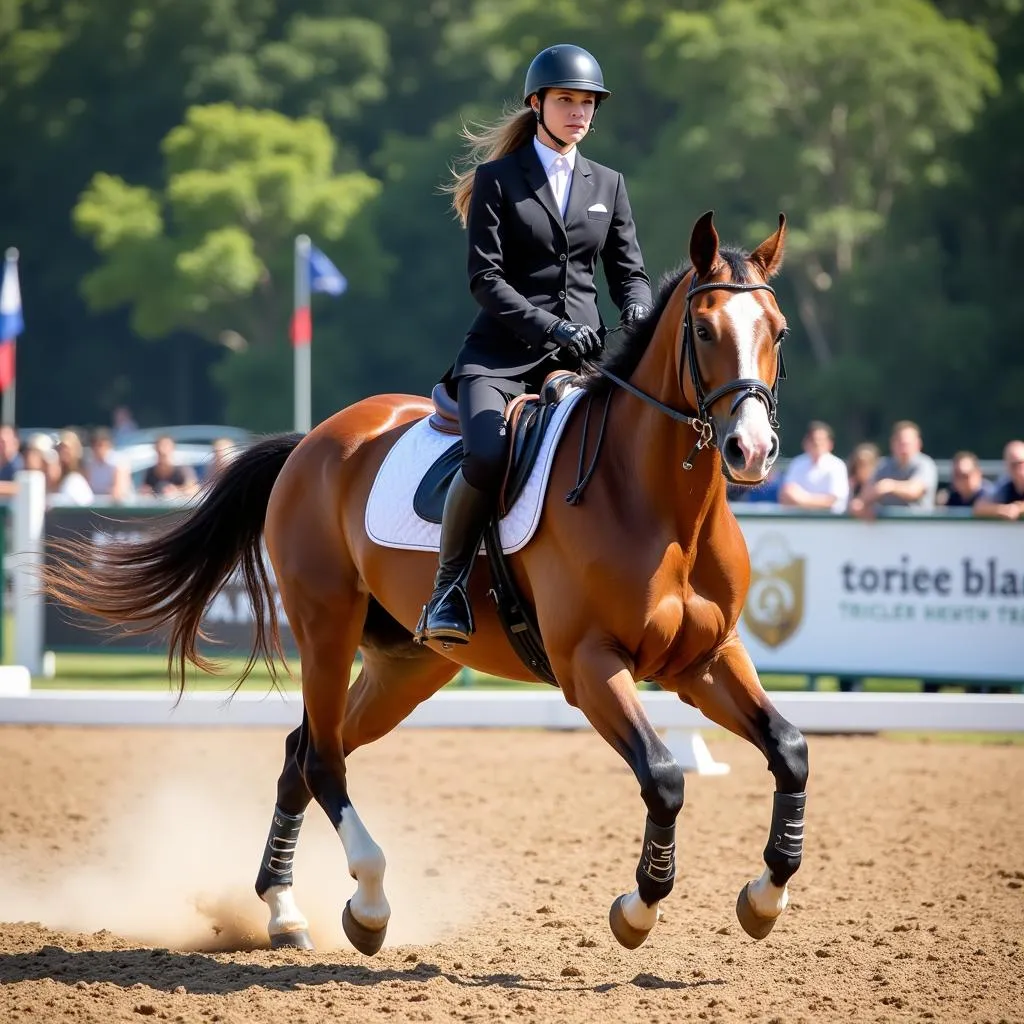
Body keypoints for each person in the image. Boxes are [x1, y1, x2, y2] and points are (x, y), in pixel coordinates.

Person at [415, 43, 653, 644]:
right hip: (499, 356)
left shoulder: (610, 183)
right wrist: (551, 327)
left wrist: (639, 309)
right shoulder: (499, 180)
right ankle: (446, 590)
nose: (579, 113)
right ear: (538, 104)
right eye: (567, 101)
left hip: (583, 357)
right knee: (488, 456)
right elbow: (485, 279)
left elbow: (629, 271)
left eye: (587, 103)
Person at [849, 421, 937, 518]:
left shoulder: (925, 464)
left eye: (908, 443)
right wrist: (861, 505)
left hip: (917, 525)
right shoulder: (883, 465)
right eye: (900, 442)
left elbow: (915, 491)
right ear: (892, 443)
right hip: (886, 528)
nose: (904, 447)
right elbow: (864, 496)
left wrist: (890, 486)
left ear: (918, 443)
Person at [778, 420, 850, 513]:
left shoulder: (837, 465)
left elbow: (833, 500)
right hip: (800, 522)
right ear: (805, 442)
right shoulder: (797, 463)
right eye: (813, 440)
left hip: (830, 522)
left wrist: (801, 499)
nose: (817, 444)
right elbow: (786, 495)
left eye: (821, 440)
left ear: (830, 443)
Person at [974, 440, 1024, 520]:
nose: (1017, 469)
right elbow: (979, 508)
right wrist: (1001, 509)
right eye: (1012, 465)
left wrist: (1018, 508)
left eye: (1020, 463)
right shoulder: (1004, 485)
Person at [139, 434, 198, 499]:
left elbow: (194, 489)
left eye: (166, 446)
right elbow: (143, 490)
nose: (162, 449)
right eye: (160, 447)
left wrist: (177, 491)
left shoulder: (182, 470)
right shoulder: (150, 472)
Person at [84, 427, 133, 503]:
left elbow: (119, 491)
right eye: (95, 445)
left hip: (120, 508)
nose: (98, 449)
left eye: (101, 445)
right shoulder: (89, 464)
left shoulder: (119, 462)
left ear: (109, 445)